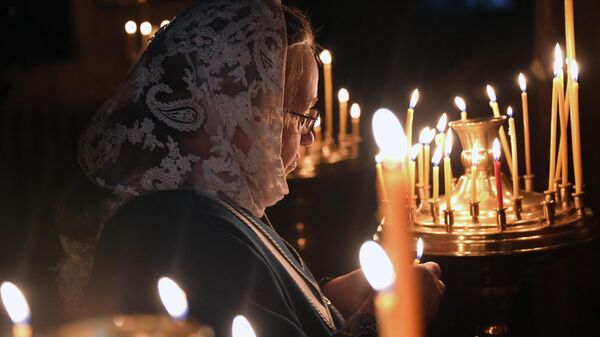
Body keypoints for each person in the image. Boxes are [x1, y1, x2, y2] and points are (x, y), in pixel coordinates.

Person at [55, 0, 445, 336]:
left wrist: (332, 297)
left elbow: (256, 307)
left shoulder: (207, 205)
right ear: (236, 114)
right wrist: (387, 316)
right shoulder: (179, 229)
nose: (309, 137)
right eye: (301, 115)